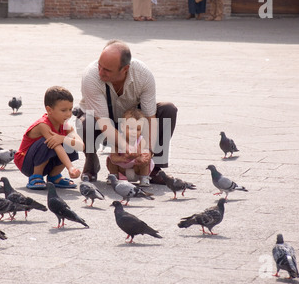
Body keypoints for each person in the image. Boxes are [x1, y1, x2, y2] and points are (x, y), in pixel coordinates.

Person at [78, 39, 177, 185]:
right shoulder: (90, 76)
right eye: (100, 66)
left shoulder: (143, 75)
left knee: (168, 110)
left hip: (134, 120)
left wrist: (147, 149)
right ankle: (91, 164)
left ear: (125, 69)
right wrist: (127, 148)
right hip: (103, 120)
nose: (100, 72)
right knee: (86, 122)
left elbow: (151, 117)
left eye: (107, 70)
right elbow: (103, 122)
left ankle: (155, 168)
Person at [14, 86, 84, 190]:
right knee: (47, 142)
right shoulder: (43, 125)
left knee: (69, 142)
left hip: (47, 162)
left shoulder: (66, 125)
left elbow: (81, 146)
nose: (69, 114)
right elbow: (57, 147)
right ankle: (36, 176)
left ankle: (54, 176)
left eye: (70, 109)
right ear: (49, 110)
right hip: (27, 163)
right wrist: (71, 168)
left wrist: (63, 139)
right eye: (63, 110)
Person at [107, 108, 154, 187]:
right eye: (131, 128)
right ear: (122, 127)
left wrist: (141, 158)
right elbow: (113, 157)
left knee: (147, 161)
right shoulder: (117, 141)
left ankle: (144, 178)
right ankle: (114, 176)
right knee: (110, 160)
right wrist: (122, 159)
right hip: (122, 170)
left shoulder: (141, 141)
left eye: (138, 129)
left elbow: (145, 154)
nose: (134, 132)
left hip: (136, 169)